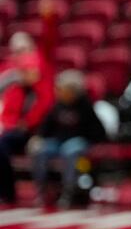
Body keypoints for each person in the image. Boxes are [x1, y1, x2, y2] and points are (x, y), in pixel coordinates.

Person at [29, 70, 106, 207]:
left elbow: (99, 131)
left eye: (61, 89)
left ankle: (68, 192)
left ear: (73, 91)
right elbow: (45, 127)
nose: (58, 91)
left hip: (80, 142)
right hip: (58, 142)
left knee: (69, 150)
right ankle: (41, 191)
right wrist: (38, 138)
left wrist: (91, 143)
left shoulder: (85, 106)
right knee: (39, 150)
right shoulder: (57, 105)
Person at [0, 35, 55, 204]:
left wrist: (26, 124)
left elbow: (44, 109)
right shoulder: (14, 83)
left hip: (39, 131)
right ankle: (7, 191)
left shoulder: (43, 82)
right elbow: (9, 110)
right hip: (16, 130)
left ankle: (41, 194)